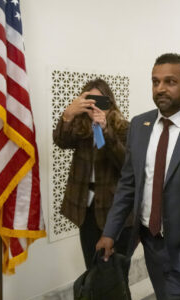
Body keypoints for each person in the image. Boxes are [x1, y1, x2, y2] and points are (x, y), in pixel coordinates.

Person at [96, 53, 180, 300]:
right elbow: (128, 184)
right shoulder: (140, 125)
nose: (160, 88)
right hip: (151, 244)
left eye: (170, 82)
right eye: (155, 81)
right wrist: (110, 232)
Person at [53, 79, 134, 271]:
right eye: (90, 102)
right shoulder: (80, 127)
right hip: (86, 207)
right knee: (92, 267)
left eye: (101, 102)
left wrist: (105, 130)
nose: (95, 106)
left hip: (116, 208)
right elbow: (62, 142)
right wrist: (67, 115)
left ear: (110, 102)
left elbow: (125, 164)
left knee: (115, 271)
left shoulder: (124, 128)